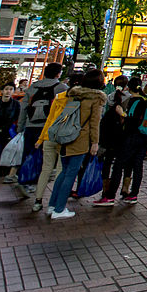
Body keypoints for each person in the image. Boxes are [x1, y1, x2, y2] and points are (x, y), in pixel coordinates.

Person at [43, 70, 105, 219]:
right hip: (79, 140)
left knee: (64, 172)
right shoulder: (96, 99)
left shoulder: (74, 95)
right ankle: (59, 209)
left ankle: (52, 205)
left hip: (64, 136)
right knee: (71, 174)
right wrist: (95, 142)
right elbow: (94, 123)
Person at [97, 76, 147, 205]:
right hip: (145, 137)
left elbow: (131, 122)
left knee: (118, 165)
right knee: (138, 165)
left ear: (130, 88)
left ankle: (110, 196)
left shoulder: (133, 101)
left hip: (132, 137)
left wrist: (122, 114)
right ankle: (133, 194)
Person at [15, 63, 68, 197]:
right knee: (45, 157)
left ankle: (23, 178)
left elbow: (24, 109)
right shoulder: (62, 88)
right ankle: (33, 182)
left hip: (30, 125)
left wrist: (20, 126)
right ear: (58, 74)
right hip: (48, 128)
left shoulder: (33, 87)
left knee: (28, 153)